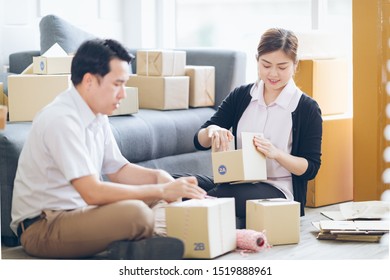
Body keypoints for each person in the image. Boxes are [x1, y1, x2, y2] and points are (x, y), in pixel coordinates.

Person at [10, 39, 206, 259]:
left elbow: (118, 169)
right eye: (117, 84)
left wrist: (159, 179)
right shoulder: (61, 119)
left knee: (161, 192)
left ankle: (149, 242)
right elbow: (92, 192)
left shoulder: (97, 114)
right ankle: (144, 242)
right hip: (44, 226)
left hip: (81, 214)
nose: (123, 94)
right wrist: (160, 190)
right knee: (138, 213)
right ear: (89, 81)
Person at [190, 28, 322, 226]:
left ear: (295, 65)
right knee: (180, 183)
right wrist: (213, 131)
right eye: (266, 65)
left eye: (282, 67)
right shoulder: (242, 96)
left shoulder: (307, 108)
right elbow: (199, 140)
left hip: (279, 189)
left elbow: (310, 168)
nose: (273, 73)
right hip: (236, 182)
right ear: (257, 60)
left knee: (219, 196)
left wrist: (275, 153)